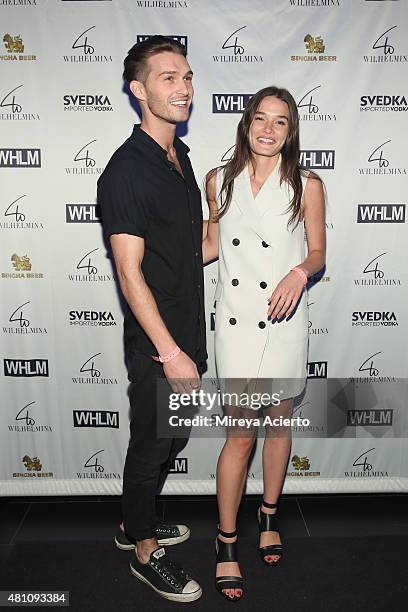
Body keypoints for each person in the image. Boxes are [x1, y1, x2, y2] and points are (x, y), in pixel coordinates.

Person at [202, 86, 326, 601]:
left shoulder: (307, 184)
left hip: (282, 321)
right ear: (246, 123)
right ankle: (226, 541)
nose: (269, 129)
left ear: (290, 130)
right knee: (241, 437)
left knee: (277, 426)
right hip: (234, 322)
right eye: (260, 118)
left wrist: (300, 272)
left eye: (280, 121)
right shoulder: (218, 180)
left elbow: (318, 251)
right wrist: (159, 263)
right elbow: (211, 244)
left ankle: (269, 513)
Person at [97, 36, 207, 603]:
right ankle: (143, 551)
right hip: (159, 344)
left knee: (171, 437)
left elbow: (191, 250)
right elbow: (130, 274)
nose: (183, 86)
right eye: (168, 77)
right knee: (149, 447)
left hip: (190, 332)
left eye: (186, 75)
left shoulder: (179, 157)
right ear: (138, 90)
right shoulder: (126, 170)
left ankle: (132, 523)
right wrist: (170, 352)